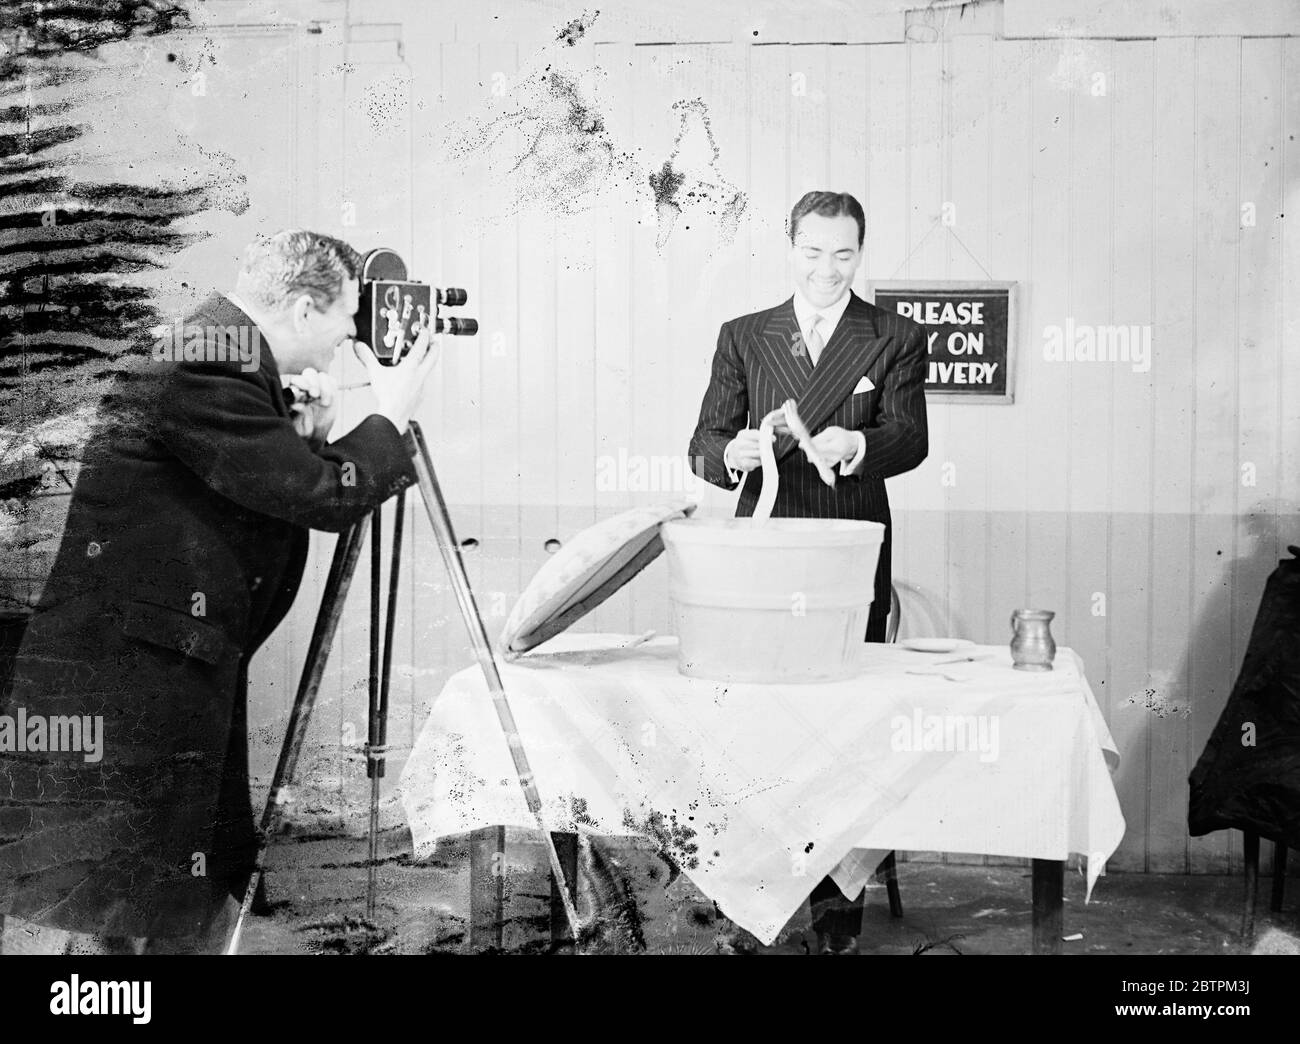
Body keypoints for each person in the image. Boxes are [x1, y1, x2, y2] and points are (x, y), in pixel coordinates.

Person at [0, 230, 438, 954]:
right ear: (301, 311)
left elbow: (265, 486)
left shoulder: (217, 347)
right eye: (344, 322)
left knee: (165, 889)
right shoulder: (209, 361)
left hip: (159, 663)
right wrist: (389, 416)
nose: (348, 342)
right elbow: (323, 498)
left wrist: (309, 433)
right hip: (136, 676)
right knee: (141, 897)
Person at [688, 191, 928, 954]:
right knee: (755, 721)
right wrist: (733, 454)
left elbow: (910, 439)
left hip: (850, 546)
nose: (827, 269)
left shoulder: (893, 335)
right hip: (763, 547)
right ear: (789, 246)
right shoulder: (743, 334)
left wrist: (856, 448)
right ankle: (747, 892)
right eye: (813, 251)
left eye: (845, 254)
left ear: (863, 252)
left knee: (842, 720)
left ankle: (836, 905)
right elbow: (703, 440)